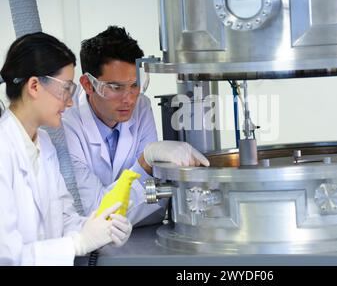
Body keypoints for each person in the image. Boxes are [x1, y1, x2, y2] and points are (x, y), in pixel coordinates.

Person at [0, 32, 132, 266]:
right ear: (34, 86)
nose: (70, 102)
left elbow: (64, 219)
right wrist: (77, 244)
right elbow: (8, 256)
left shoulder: (44, 144)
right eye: (66, 89)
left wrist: (101, 227)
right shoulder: (3, 149)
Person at [62, 26, 209, 226]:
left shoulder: (141, 106)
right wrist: (145, 162)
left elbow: (156, 205)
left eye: (135, 85)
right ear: (88, 84)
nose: (129, 99)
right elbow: (93, 214)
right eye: (116, 87)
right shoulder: (65, 124)